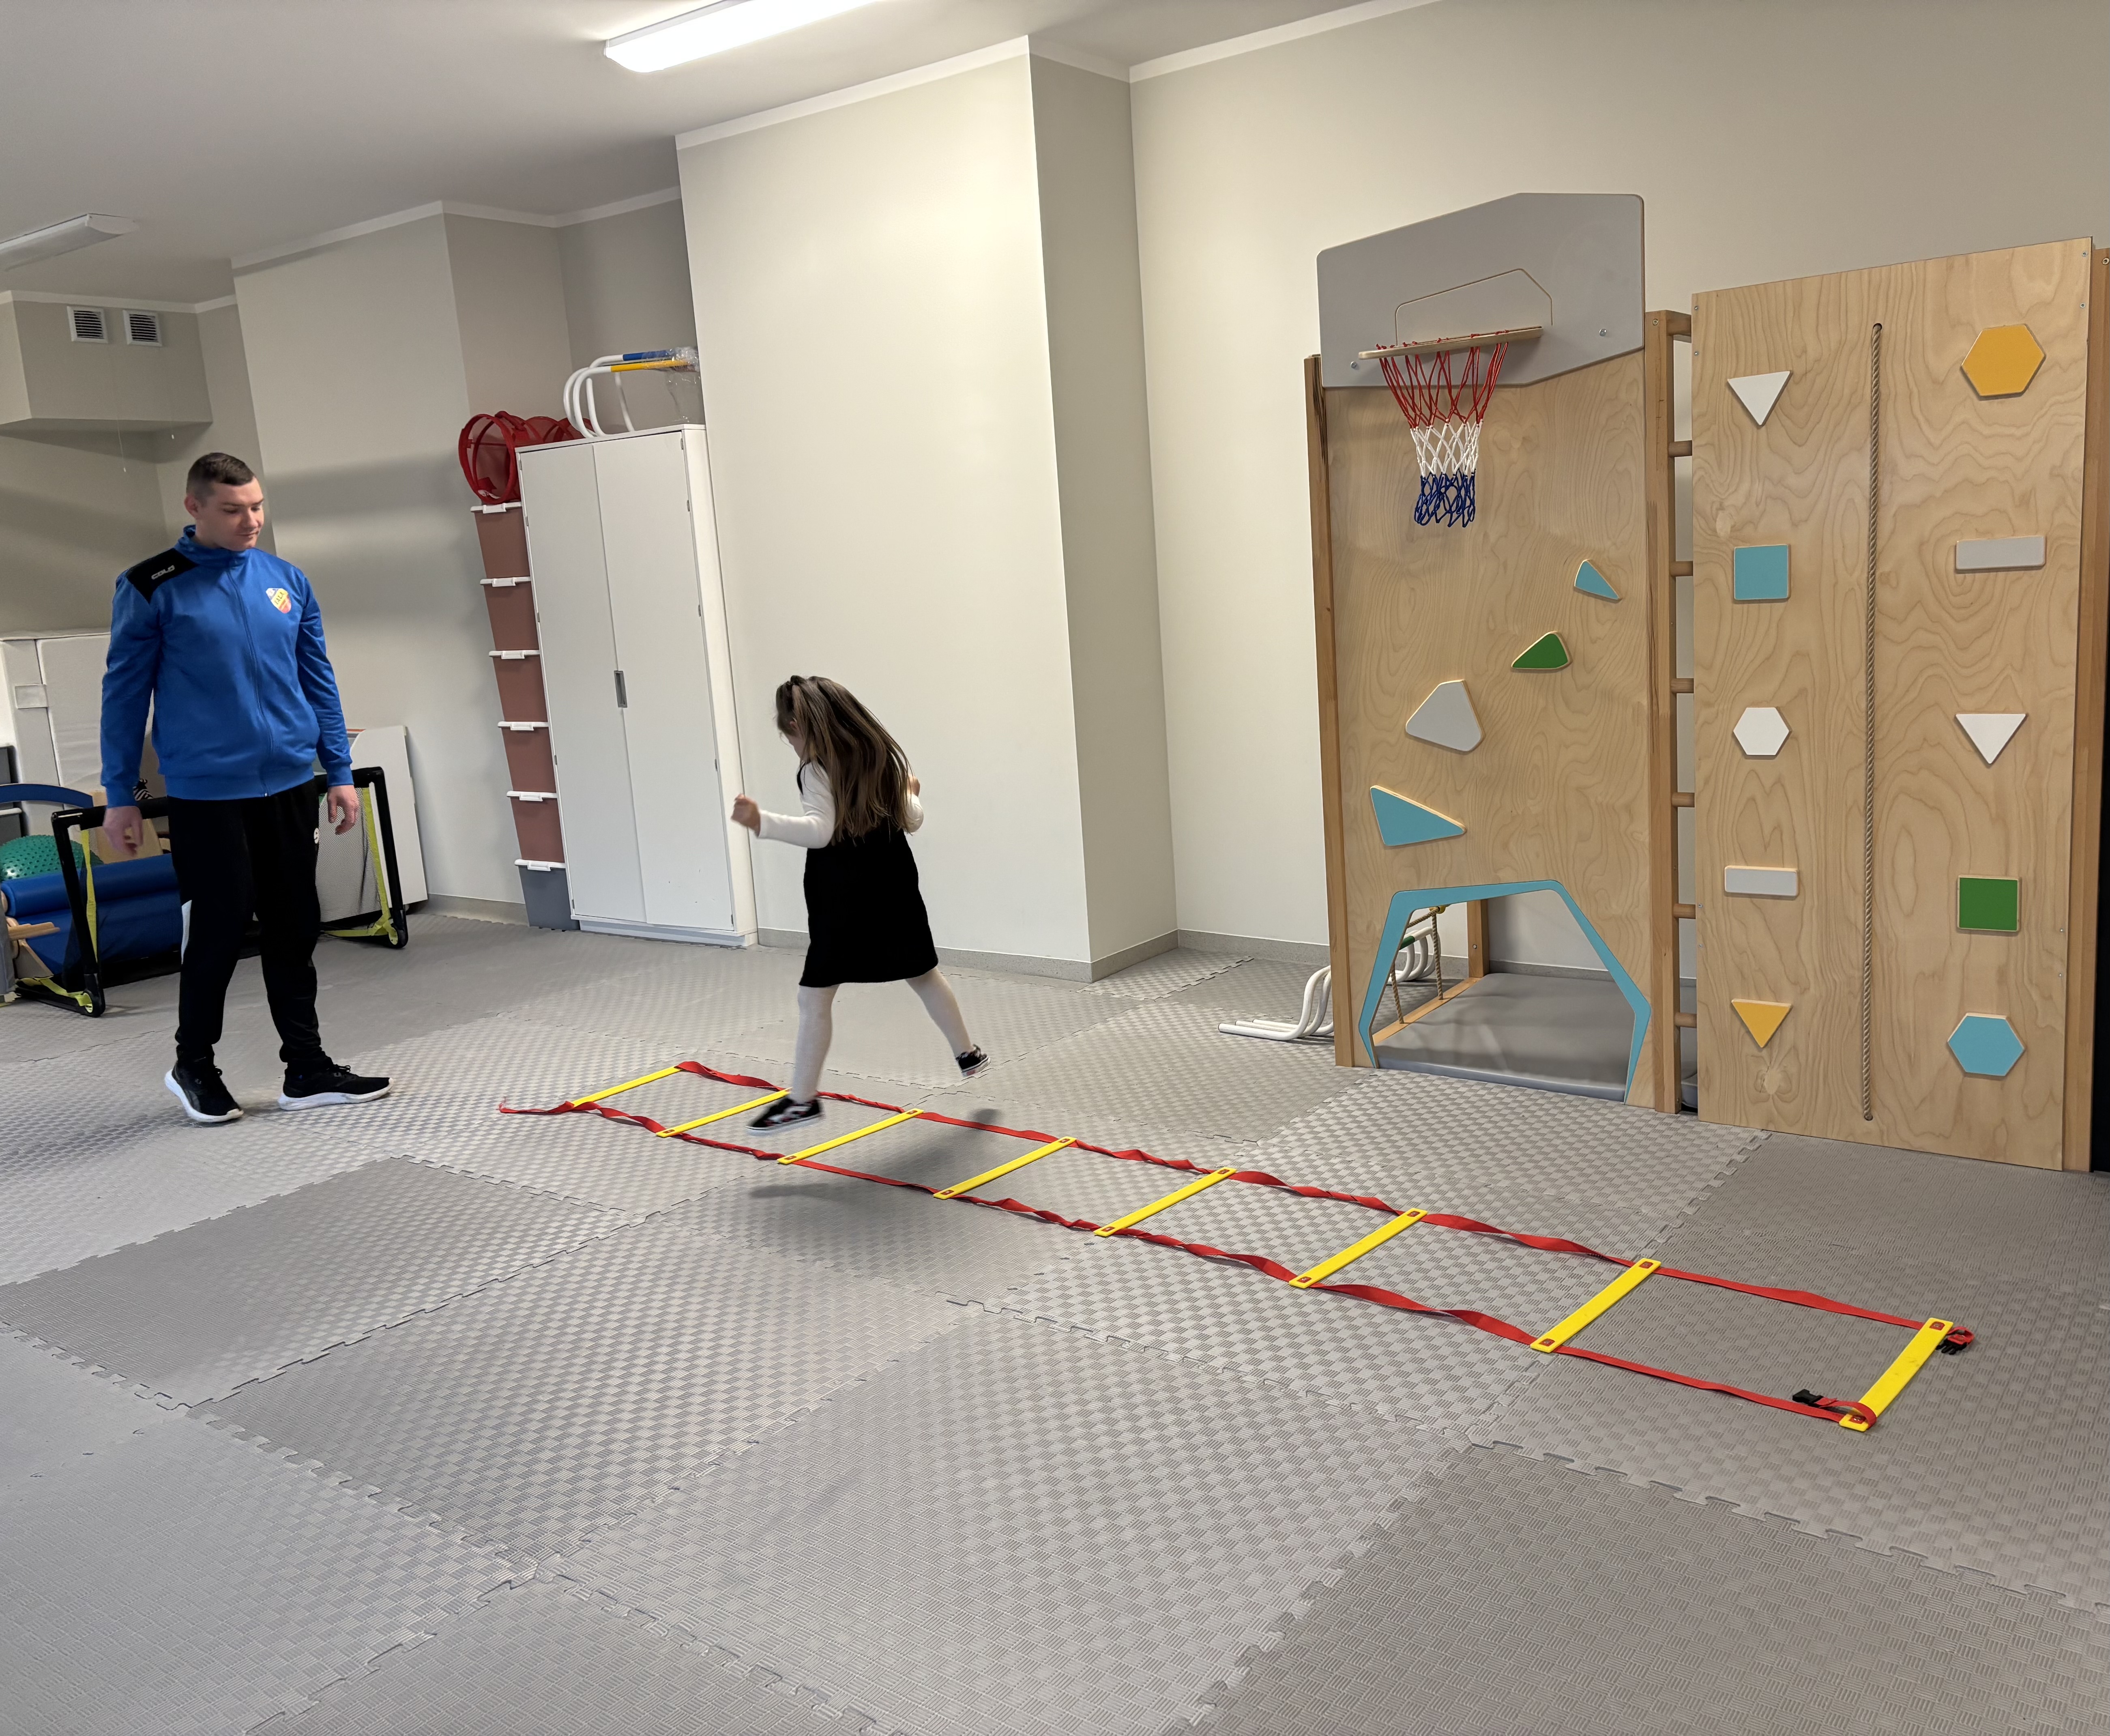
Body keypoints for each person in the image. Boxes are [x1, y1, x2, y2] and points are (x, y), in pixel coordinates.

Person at [99, 452, 391, 1125]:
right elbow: (124, 696)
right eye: (233, 510)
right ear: (194, 507)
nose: (251, 520)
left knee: (295, 925)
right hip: (207, 793)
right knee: (218, 927)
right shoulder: (151, 585)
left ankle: (306, 1068)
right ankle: (194, 1065)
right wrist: (120, 793)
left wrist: (338, 771)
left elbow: (317, 679)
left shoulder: (286, 581)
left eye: (257, 506)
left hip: (287, 782)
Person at [731, 675, 986, 1130]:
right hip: (893, 882)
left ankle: (802, 1100)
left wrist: (760, 821)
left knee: (814, 995)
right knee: (922, 971)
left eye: (789, 738)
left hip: (843, 892)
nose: (793, 748)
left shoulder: (816, 770)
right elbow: (911, 819)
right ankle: (967, 1054)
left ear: (798, 727)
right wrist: (911, 794)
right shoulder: (879, 757)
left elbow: (820, 832)